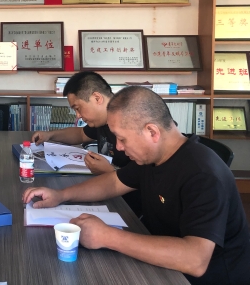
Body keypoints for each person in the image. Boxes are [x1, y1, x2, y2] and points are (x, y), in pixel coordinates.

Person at [23, 86, 250, 285]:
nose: (119, 147)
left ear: (152, 131)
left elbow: (195, 260)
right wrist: (61, 195)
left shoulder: (203, 174)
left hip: (203, 278)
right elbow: (113, 182)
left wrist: (107, 236)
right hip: (161, 261)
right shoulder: (152, 156)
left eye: (122, 139)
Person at [31, 71, 128, 174]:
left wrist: (111, 171)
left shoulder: (129, 122)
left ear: (97, 98)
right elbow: (81, 134)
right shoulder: (100, 120)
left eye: (78, 108)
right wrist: (49, 135)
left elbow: (139, 176)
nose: (78, 115)